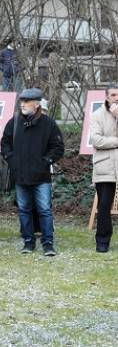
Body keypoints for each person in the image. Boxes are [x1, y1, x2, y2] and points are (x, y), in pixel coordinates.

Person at [1, 88, 64, 256]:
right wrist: (12, 160)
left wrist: (45, 162)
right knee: (24, 209)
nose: (22, 104)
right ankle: (28, 242)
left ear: (37, 104)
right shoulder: (14, 122)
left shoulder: (49, 123)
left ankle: (48, 243)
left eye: (26, 101)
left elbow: (58, 148)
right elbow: (5, 143)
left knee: (44, 210)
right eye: (21, 101)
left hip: (41, 177)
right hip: (20, 176)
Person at [89, 84, 118, 253]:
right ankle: (102, 241)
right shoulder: (97, 115)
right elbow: (96, 140)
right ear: (106, 96)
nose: (116, 97)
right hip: (104, 166)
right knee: (104, 206)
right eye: (113, 95)